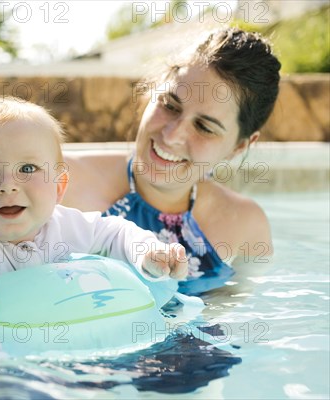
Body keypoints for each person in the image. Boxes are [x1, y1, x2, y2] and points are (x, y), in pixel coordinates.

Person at [0, 96, 188, 360]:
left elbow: (114, 232)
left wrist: (148, 252)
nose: (7, 185)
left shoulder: (63, 224)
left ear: (59, 187)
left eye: (27, 168)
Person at [62, 27, 281, 296]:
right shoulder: (61, 181)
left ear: (238, 147)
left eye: (204, 127)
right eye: (170, 105)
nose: (172, 135)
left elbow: (233, 317)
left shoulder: (246, 226)